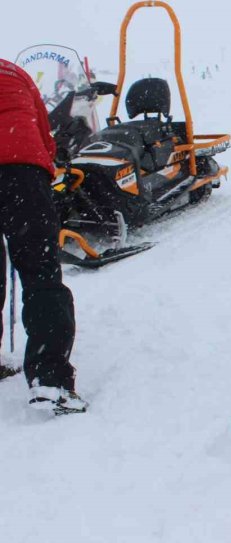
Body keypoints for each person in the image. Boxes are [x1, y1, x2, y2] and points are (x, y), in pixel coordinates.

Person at [0, 58, 83, 415]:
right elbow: (43, 130)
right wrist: (44, 169)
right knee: (40, 273)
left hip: (21, 165)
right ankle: (50, 380)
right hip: (23, 171)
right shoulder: (14, 73)